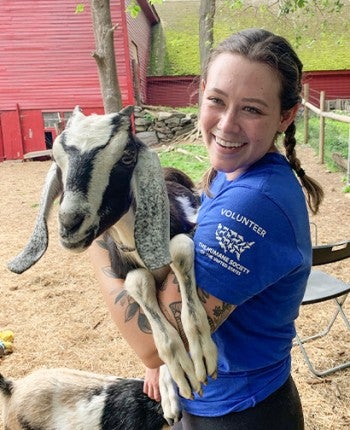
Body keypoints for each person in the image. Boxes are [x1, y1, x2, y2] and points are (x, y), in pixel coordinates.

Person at [88, 28, 324, 430]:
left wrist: (98, 227)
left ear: (286, 116)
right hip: (212, 398)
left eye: (251, 109)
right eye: (217, 100)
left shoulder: (255, 203)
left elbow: (151, 346)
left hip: (241, 414)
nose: (226, 125)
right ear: (201, 94)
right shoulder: (235, 172)